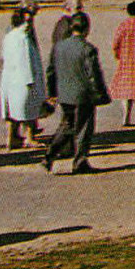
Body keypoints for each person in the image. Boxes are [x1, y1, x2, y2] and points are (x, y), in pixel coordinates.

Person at [44, 10, 111, 174]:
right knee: (83, 128)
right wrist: (101, 94)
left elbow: (51, 70)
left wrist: (52, 92)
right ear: (87, 28)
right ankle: (80, 161)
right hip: (83, 95)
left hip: (64, 94)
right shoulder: (88, 49)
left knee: (66, 126)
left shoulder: (59, 47)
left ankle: (49, 155)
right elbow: (94, 75)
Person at [0, 1, 49, 149]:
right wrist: (31, 81)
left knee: (13, 111)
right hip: (23, 80)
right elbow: (26, 60)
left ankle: (11, 138)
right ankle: (29, 137)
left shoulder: (9, 36)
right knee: (28, 110)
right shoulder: (23, 38)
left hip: (10, 78)